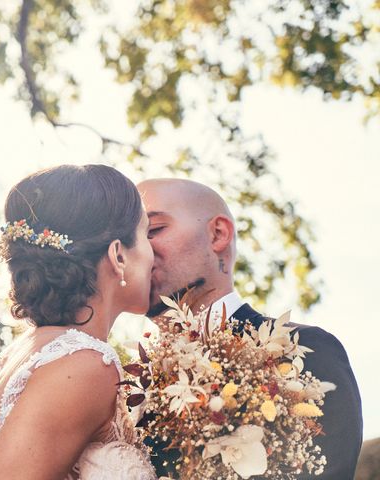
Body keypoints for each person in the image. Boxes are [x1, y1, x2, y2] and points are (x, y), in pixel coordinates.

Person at [137, 178, 363, 479]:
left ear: (218, 234)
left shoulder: (303, 350)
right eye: (129, 241)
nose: (139, 252)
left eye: (153, 231)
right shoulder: (118, 385)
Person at [0, 164, 157, 480]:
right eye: (147, 233)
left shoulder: (23, 354)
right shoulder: (83, 365)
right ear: (118, 255)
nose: (154, 253)